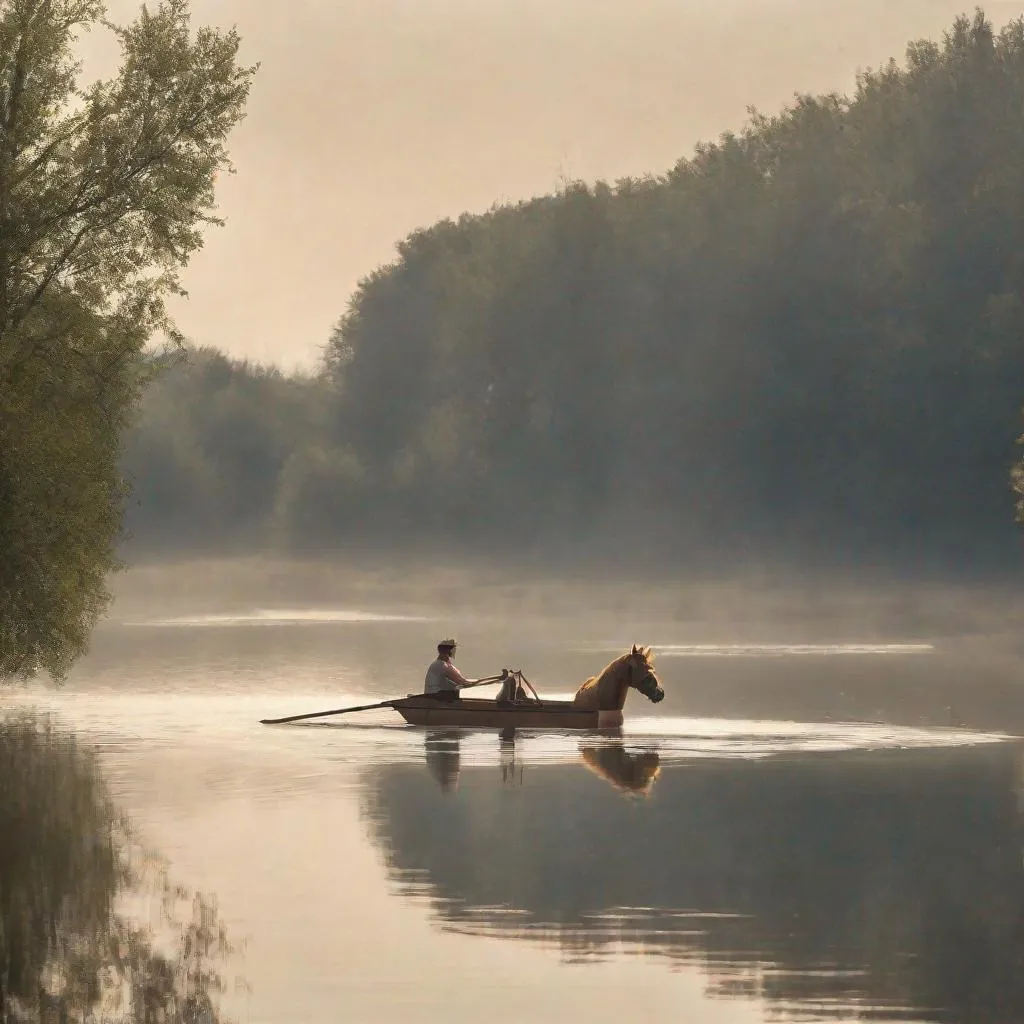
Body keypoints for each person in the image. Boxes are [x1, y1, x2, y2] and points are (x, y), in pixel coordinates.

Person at [424, 639, 507, 701]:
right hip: (435, 699)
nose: (454, 652)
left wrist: (498, 678)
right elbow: (463, 682)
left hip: (441, 698)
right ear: (447, 651)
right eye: (453, 649)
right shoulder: (441, 665)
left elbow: (465, 682)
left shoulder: (443, 664)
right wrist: (498, 678)